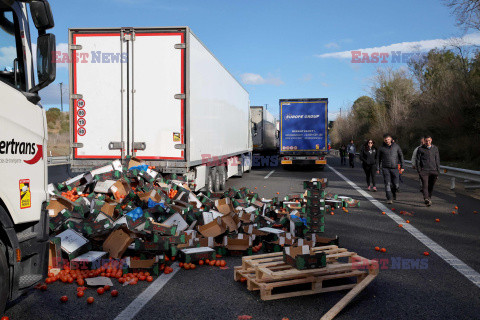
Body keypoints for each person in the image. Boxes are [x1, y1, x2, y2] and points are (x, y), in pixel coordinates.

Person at [376, 134, 404, 204]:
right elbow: (378, 159)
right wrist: (378, 168)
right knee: (387, 183)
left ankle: (394, 193)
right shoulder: (381, 148)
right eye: (385, 139)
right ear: (384, 140)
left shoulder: (396, 146)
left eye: (388, 139)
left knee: (396, 184)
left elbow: (401, 156)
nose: (387, 140)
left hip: (395, 168)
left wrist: (402, 166)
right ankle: (389, 198)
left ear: (391, 139)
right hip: (385, 168)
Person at [416, 135, 440, 206]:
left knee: (431, 186)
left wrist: (438, 171)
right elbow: (417, 160)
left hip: (433, 170)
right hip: (424, 171)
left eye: (429, 141)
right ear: (424, 141)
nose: (427, 142)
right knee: (425, 185)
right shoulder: (420, 149)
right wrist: (419, 171)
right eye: (426, 141)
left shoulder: (435, 148)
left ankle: (429, 197)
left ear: (431, 140)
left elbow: (437, 160)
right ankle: (426, 198)